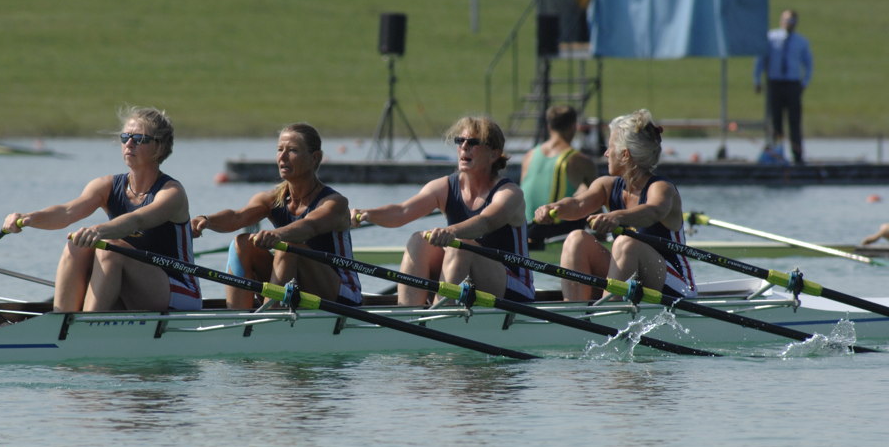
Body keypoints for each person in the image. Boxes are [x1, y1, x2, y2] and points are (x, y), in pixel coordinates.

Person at [2, 106, 201, 313]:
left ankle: (87, 327)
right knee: (77, 244)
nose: (129, 144)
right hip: (132, 285)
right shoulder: (106, 186)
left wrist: (98, 231)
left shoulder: (171, 193)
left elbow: (137, 220)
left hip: (178, 289)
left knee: (110, 248)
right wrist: (28, 218)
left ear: (159, 147)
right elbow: (67, 212)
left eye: (139, 139)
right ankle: (61, 320)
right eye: (125, 137)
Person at [351, 116, 534, 306]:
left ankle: (436, 315)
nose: (464, 147)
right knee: (419, 240)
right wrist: (369, 214)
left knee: (460, 244)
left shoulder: (509, 194)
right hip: (468, 279)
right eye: (460, 141)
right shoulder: (444, 187)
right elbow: (401, 212)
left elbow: (484, 223)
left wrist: (450, 232)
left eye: (473, 142)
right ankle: (409, 314)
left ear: (494, 154)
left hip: (514, 286)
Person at [191, 123, 361, 310]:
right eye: (279, 149)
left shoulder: (334, 203)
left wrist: (278, 235)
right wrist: (206, 220)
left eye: (292, 150)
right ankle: (238, 318)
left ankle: (269, 317)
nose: (282, 156)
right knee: (242, 243)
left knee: (289, 246)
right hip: (296, 285)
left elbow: (309, 227)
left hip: (341, 295)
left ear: (315, 158)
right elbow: (237, 218)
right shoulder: (272, 199)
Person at [533, 109, 696, 302]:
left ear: (625, 155)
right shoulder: (607, 186)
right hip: (633, 278)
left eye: (610, 148)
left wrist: (616, 216)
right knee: (576, 238)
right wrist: (554, 208)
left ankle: (609, 311)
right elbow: (578, 204)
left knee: (625, 243)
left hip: (675, 285)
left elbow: (653, 211)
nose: (606, 153)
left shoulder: (661, 188)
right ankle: (574, 310)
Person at [520, 105, 598, 248]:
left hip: (526, 233)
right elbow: (598, 200)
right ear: (574, 127)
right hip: (552, 236)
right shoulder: (579, 160)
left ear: (549, 126)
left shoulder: (529, 156)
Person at [754, 9, 813, 165]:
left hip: (793, 84)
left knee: (794, 121)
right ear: (781, 21)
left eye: (792, 21)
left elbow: (808, 64)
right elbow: (761, 60)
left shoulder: (801, 42)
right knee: (776, 122)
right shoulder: (771, 38)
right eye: (786, 20)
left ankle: (798, 156)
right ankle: (777, 155)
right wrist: (757, 79)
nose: (788, 24)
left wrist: (804, 82)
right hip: (775, 83)